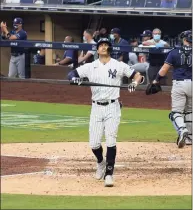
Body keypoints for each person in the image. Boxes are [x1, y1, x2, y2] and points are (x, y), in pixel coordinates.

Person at [68, 38, 144, 187]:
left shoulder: (118, 65)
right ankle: (101, 163)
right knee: (94, 143)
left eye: (106, 45)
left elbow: (137, 76)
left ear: (110, 49)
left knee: (111, 139)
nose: (103, 47)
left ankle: (109, 173)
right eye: (101, 45)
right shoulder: (90, 66)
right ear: (97, 50)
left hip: (112, 107)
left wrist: (134, 83)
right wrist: (75, 79)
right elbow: (71, 74)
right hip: (96, 107)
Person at [153, 30, 192, 147]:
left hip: (179, 84)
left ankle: (182, 129)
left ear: (184, 39)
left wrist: (156, 80)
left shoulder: (174, 52)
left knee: (176, 112)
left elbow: (164, 70)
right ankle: (190, 138)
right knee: (190, 111)